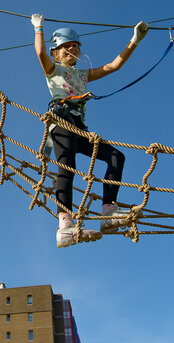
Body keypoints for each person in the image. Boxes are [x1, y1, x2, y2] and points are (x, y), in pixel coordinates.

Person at [31, 13, 149, 248]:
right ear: (57, 51)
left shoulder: (83, 75)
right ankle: (65, 226)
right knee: (67, 167)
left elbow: (114, 66)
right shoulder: (53, 69)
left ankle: (108, 211)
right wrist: (39, 28)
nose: (71, 49)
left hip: (80, 128)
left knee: (116, 156)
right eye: (66, 46)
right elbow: (41, 54)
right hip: (62, 123)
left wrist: (135, 39)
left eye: (75, 46)